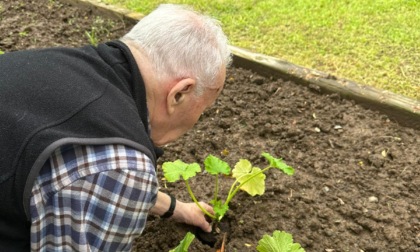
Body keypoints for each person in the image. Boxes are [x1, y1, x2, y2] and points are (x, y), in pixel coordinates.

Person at [0, 3, 231, 251]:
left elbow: (80, 176)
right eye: (204, 107)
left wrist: (175, 209)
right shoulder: (122, 166)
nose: (199, 118)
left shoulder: (61, 65)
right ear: (179, 94)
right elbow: (109, 173)